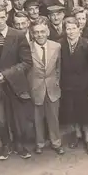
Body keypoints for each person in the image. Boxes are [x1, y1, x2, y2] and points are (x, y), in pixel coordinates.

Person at [0, 4, 33, 161]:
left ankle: (19, 145)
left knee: (17, 117)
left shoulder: (18, 35)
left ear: (7, 16)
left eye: (2, 17)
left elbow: (27, 62)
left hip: (15, 84)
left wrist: (7, 74)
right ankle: (5, 145)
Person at [27, 18, 65, 156]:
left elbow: (59, 67)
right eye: (36, 32)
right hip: (35, 87)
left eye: (42, 31)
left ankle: (56, 142)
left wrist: (57, 82)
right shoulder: (27, 48)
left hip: (52, 87)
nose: (40, 35)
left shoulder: (56, 46)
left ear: (48, 32)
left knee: (53, 117)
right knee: (37, 118)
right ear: (32, 34)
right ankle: (39, 143)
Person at [59, 17, 88, 155]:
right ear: (65, 30)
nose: (71, 31)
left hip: (84, 86)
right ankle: (77, 134)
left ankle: (87, 139)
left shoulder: (87, 45)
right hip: (67, 86)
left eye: (73, 28)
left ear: (79, 29)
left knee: (85, 113)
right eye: (68, 29)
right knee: (72, 112)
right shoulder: (60, 45)